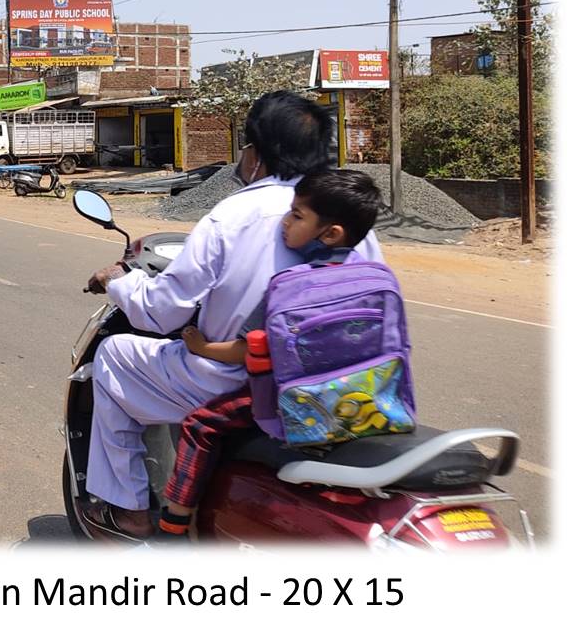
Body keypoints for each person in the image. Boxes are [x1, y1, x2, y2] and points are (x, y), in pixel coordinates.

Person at [78, 91, 384, 541]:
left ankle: (129, 511)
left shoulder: (234, 215)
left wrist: (117, 281)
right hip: (342, 383)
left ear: (255, 153)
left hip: (235, 380)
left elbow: (159, 312)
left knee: (114, 355)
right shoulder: (349, 222)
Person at [157, 169, 385, 542]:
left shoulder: (291, 284)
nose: (284, 222)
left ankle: (174, 524)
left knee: (200, 425)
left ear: (330, 234)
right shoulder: (374, 279)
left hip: (299, 401)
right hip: (366, 397)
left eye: (297, 215)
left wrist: (200, 347)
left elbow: (247, 349)